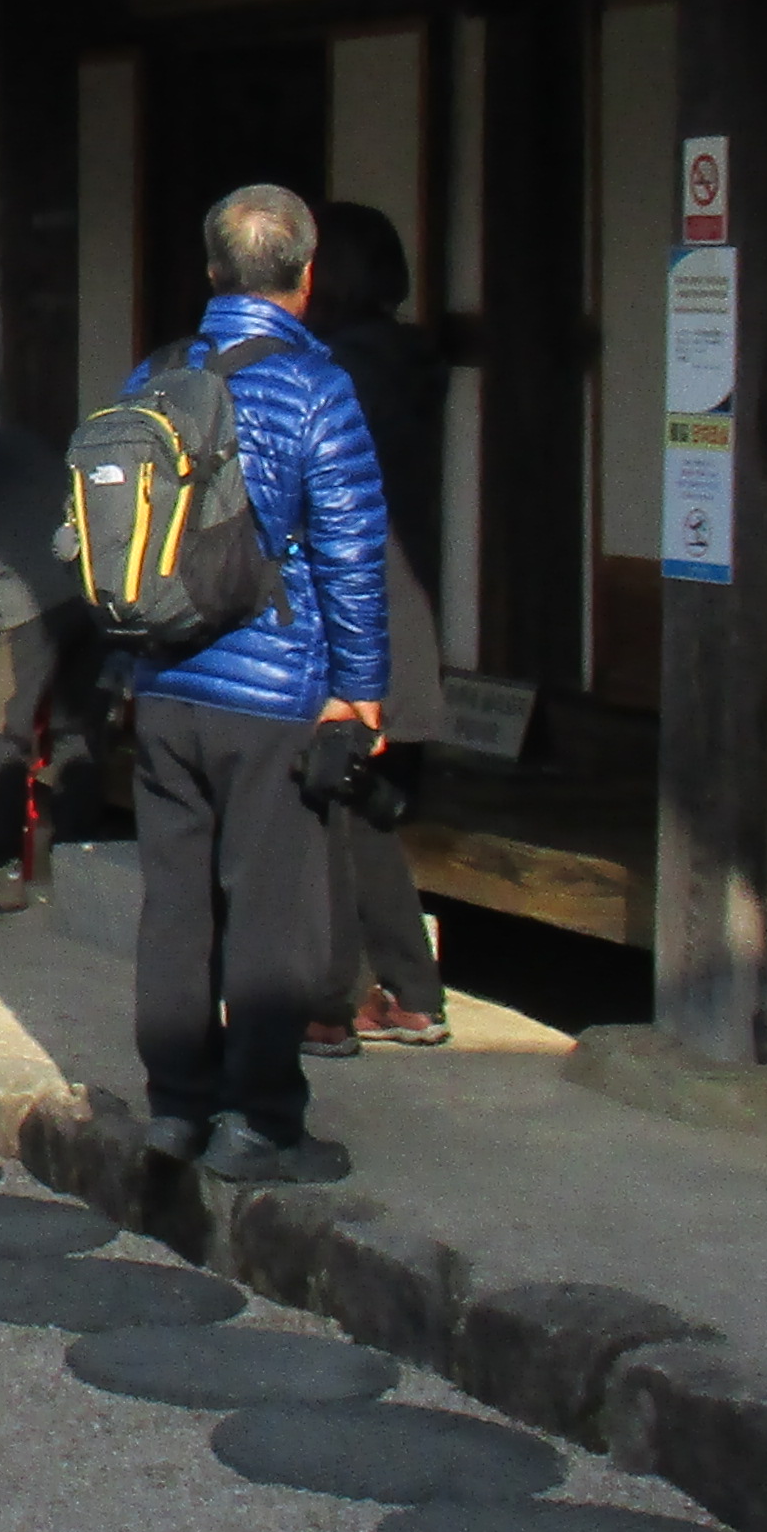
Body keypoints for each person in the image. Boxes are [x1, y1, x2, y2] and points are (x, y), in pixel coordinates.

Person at [122, 182, 391, 1185]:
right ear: (306, 277)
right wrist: (360, 687)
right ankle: (261, 1122)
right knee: (270, 913)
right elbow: (352, 550)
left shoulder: (154, 373)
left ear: (210, 272)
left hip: (162, 680)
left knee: (174, 909)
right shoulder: (317, 388)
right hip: (272, 690)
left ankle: (175, 1109)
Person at [303, 201, 456, 1051]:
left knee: (325, 806)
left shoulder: (341, 372)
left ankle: (330, 1002)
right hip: (400, 613)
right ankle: (408, 990)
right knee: (359, 812)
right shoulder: (403, 360)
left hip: (354, 612)